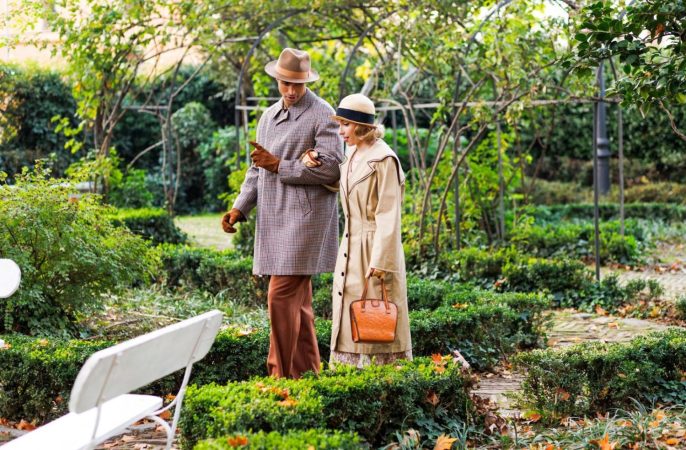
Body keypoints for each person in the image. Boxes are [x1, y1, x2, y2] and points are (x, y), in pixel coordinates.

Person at [221, 48, 343, 379]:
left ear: (307, 81)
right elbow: (256, 169)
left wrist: (281, 166)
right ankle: (308, 375)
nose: (291, 90)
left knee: (279, 296)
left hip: (305, 221)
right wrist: (239, 207)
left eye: (298, 85)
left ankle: (280, 378)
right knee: (298, 306)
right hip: (275, 219)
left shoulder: (323, 114)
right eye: (285, 83)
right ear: (277, 79)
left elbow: (333, 168)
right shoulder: (268, 117)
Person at [312, 93, 412, 367]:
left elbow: (389, 215)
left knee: (375, 321)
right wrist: (317, 166)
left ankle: (380, 383)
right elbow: (346, 186)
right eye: (340, 124)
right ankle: (350, 378)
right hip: (350, 245)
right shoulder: (353, 154)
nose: (340, 131)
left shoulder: (384, 159)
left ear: (360, 125)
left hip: (374, 249)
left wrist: (382, 261)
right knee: (349, 315)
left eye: (345, 125)